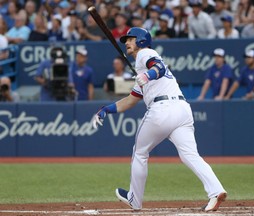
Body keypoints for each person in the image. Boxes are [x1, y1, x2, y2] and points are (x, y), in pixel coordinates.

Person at [92, 27, 227, 212]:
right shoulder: (141, 70)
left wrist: (146, 75)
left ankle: (135, 200)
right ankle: (216, 191)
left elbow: (159, 68)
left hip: (162, 110)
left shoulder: (145, 53)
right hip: (182, 110)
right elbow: (130, 101)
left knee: (139, 153)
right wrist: (106, 109)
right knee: (190, 155)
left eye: (130, 39)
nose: (126, 43)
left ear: (140, 40)